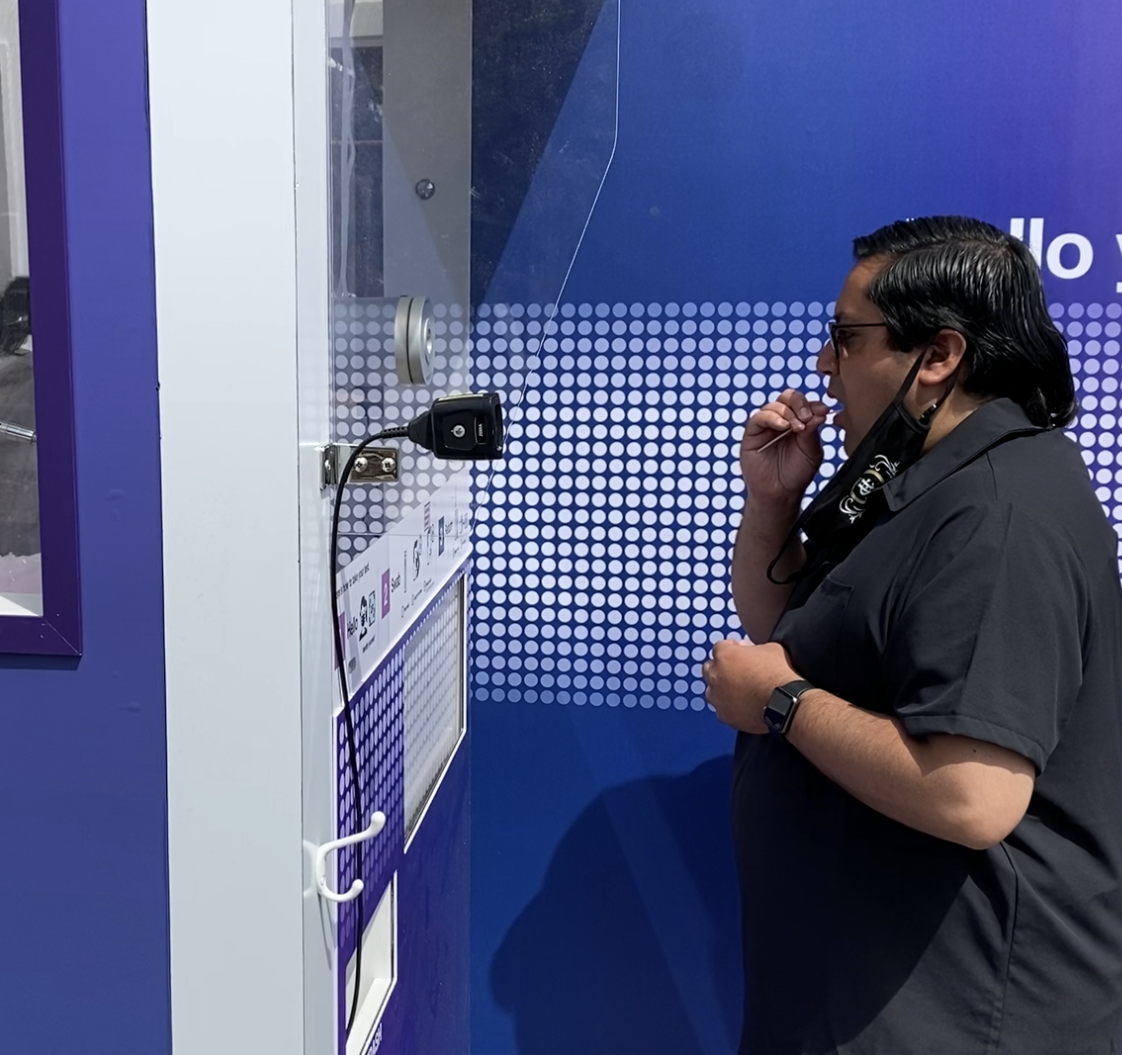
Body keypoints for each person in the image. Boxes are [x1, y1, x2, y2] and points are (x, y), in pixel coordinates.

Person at [702, 216, 1122, 1055]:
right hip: (864, 998)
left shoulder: (999, 517)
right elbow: (784, 627)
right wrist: (774, 502)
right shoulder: (920, 477)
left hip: (958, 1019)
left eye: (845, 339)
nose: (824, 364)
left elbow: (972, 795)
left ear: (938, 357)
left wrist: (779, 703)